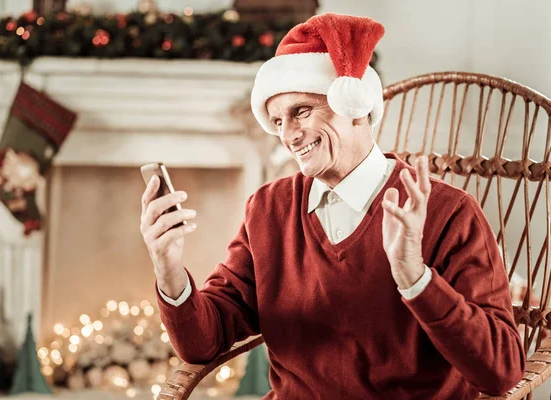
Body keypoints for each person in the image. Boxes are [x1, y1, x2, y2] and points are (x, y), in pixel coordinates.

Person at [139, 13, 525, 399]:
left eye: (301, 111)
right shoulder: (270, 208)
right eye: (276, 121)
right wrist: (169, 270)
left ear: (353, 104)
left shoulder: (449, 213)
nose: (287, 135)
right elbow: (206, 342)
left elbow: (500, 372)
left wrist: (415, 277)